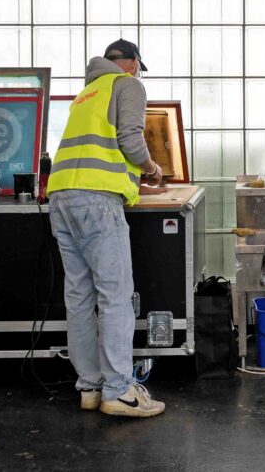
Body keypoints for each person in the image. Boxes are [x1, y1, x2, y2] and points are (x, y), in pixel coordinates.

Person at [47, 39, 166, 418]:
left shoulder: (87, 93)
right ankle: (119, 391)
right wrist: (152, 168)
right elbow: (130, 140)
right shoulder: (128, 84)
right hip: (96, 200)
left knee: (79, 297)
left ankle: (90, 386)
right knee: (115, 296)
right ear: (132, 64)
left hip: (61, 196)